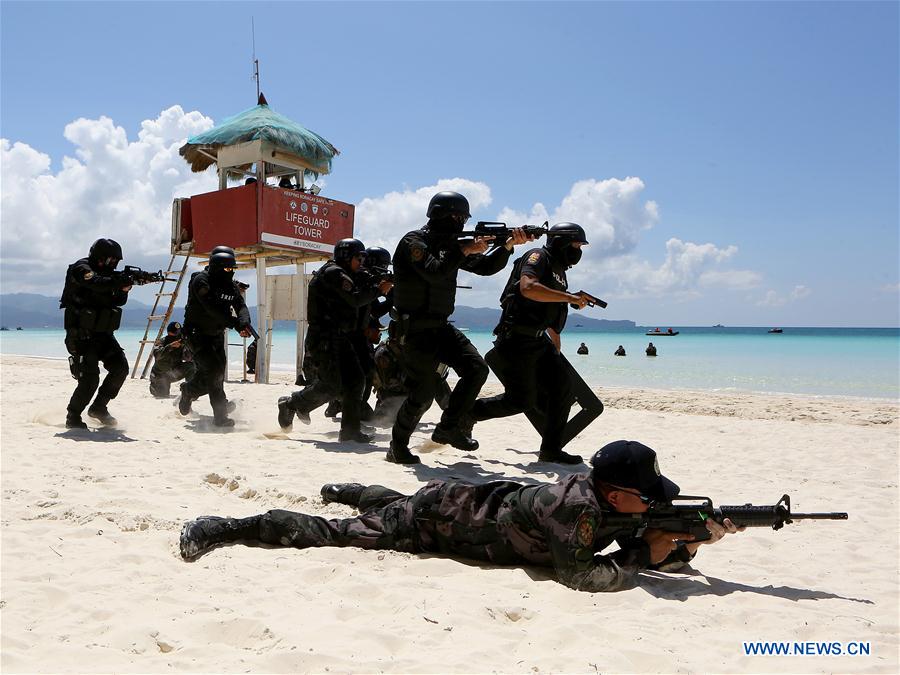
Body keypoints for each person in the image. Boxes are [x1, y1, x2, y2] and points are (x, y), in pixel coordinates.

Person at [179, 439, 743, 593]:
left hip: (462, 501)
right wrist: (647, 554)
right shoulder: (576, 509)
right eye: (646, 497)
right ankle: (229, 527)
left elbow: (639, 540)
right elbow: (581, 574)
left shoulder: (606, 502)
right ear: (616, 494)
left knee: (394, 505)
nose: (653, 504)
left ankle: (359, 491)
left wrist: (688, 543)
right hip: (439, 521)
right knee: (336, 535)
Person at [387, 191, 530, 464]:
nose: (461, 222)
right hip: (414, 330)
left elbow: (486, 267)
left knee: (476, 368)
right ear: (439, 213)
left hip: (441, 327)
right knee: (422, 393)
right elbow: (434, 271)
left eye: (464, 218)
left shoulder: (452, 245)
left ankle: (448, 427)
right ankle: (397, 446)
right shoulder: (414, 242)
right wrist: (464, 249)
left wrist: (508, 245)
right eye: (457, 216)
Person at [469, 223, 594, 464]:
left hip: (538, 341)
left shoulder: (559, 271)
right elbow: (528, 288)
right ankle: (466, 413)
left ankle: (551, 450)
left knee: (563, 388)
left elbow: (550, 311)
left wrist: (555, 344)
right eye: (577, 245)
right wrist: (570, 298)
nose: (579, 250)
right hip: (517, 338)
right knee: (520, 401)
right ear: (562, 243)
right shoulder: (537, 256)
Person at [276, 239, 392, 443]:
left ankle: (350, 432)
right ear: (347, 257)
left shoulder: (345, 273)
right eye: (358, 258)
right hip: (324, 338)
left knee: (356, 381)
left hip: (339, 337)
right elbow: (355, 299)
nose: (361, 263)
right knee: (331, 385)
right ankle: (291, 404)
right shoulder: (333, 273)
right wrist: (379, 290)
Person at [59, 238, 132, 428]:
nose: (113, 264)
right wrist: (118, 281)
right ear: (99, 257)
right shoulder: (81, 268)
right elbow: (96, 283)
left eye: (115, 261)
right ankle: (73, 416)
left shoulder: (109, 277)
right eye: (110, 260)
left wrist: (124, 289)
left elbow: (118, 301)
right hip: (81, 335)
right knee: (90, 380)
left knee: (120, 368)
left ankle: (99, 407)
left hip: (103, 334)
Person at [178, 248, 254, 427]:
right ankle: (220, 416)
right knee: (214, 372)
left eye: (233, 269)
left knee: (216, 373)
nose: (231, 272)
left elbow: (241, 306)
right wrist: (236, 324)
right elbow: (212, 309)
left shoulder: (230, 285)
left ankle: (188, 390)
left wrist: (244, 322)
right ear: (217, 267)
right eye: (227, 269)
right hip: (196, 336)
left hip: (216, 335)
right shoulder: (201, 281)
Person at [149, 321, 196, 397]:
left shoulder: (181, 342)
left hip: (173, 372)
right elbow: (157, 355)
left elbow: (189, 358)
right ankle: (154, 386)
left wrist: (187, 345)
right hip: (160, 374)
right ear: (168, 333)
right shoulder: (161, 341)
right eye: (173, 334)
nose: (175, 336)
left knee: (191, 366)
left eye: (177, 333)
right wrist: (170, 347)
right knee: (162, 394)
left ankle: (190, 390)